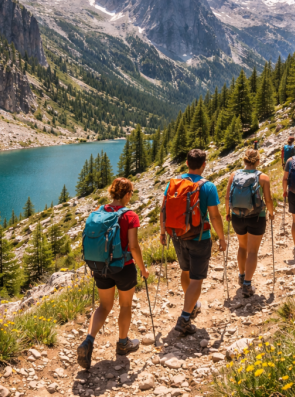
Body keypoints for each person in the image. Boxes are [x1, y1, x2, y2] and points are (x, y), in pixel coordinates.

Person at [77, 178, 149, 369]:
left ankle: (88, 341)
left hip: (100, 267)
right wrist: (143, 269)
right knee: (125, 305)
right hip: (123, 267)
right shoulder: (130, 216)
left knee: (104, 306)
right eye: (130, 193)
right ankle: (123, 344)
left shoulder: (100, 212)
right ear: (126, 194)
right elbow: (133, 247)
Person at [160, 149, 226, 336]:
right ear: (204, 165)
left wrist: (163, 232)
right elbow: (214, 216)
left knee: (185, 271)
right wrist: (221, 237)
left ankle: (192, 303)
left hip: (177, 236)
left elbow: (163, 209)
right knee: (197, 278)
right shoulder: (208, 186)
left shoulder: (173, 183)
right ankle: (185, 317)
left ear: (187, 163)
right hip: (199, 237)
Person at [225, 149, 276, 298]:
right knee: (252, 251)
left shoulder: (233, 175)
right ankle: (247, 285)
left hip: (237, 216)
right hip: (256, 217)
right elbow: (268, 200)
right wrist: (271, 213)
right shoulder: (263, 178)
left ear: (244, 160)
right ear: (258, 161)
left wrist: (228, 213)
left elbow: (228, 197)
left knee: (242, 246)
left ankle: (241, 276)